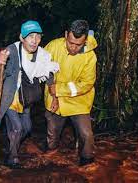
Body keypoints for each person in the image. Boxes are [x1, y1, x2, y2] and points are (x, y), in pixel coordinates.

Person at [0, 20, 59, 168]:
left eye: (38, 36)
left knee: (27, 128)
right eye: (30, 36)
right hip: (8, 97)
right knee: (17, 127)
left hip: (26, 97)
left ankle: (11, 144)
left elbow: (49, 75)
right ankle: (12, 158)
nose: (35, 41)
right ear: (22, 38)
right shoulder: (12, 51)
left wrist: (54, 97)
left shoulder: (43, 55)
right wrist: (1, 63)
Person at [43, 20, 97, 166]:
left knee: (86, 135)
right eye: (70, 42)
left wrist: (60, 90)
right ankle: (51, 156)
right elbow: (45, 68)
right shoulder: (53, 46)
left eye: (78, 45)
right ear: (66, 35)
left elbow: (86, 84)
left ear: (85, 40)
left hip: (79, 101)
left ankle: (87, 164)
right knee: (52, 135)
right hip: (54, 100)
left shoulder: (90, 57)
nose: (73, 47)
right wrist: (54, 96)